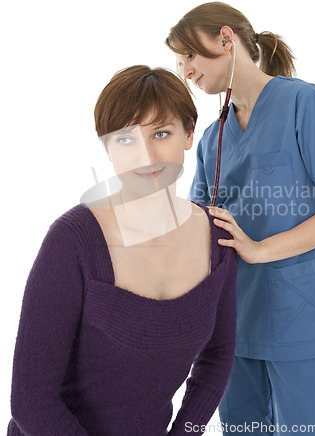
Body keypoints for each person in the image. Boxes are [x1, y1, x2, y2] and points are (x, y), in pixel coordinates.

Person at [166, 2, 315, 435]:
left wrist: (260, 249)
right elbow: (197, 230)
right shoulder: (212, 138)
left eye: (189, 58)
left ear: (225, 38)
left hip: (304, 318)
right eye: (180, 65)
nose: (187, 73)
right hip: (232, 328)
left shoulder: (304, 104)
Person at [7, 65, 237, 436]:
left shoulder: (219, 239)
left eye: (161, 133)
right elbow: (31, 401)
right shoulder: (71, 242)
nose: (146, 156)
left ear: (189, 134)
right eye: (126, 139)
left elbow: (218, 357)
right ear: (108, 148)